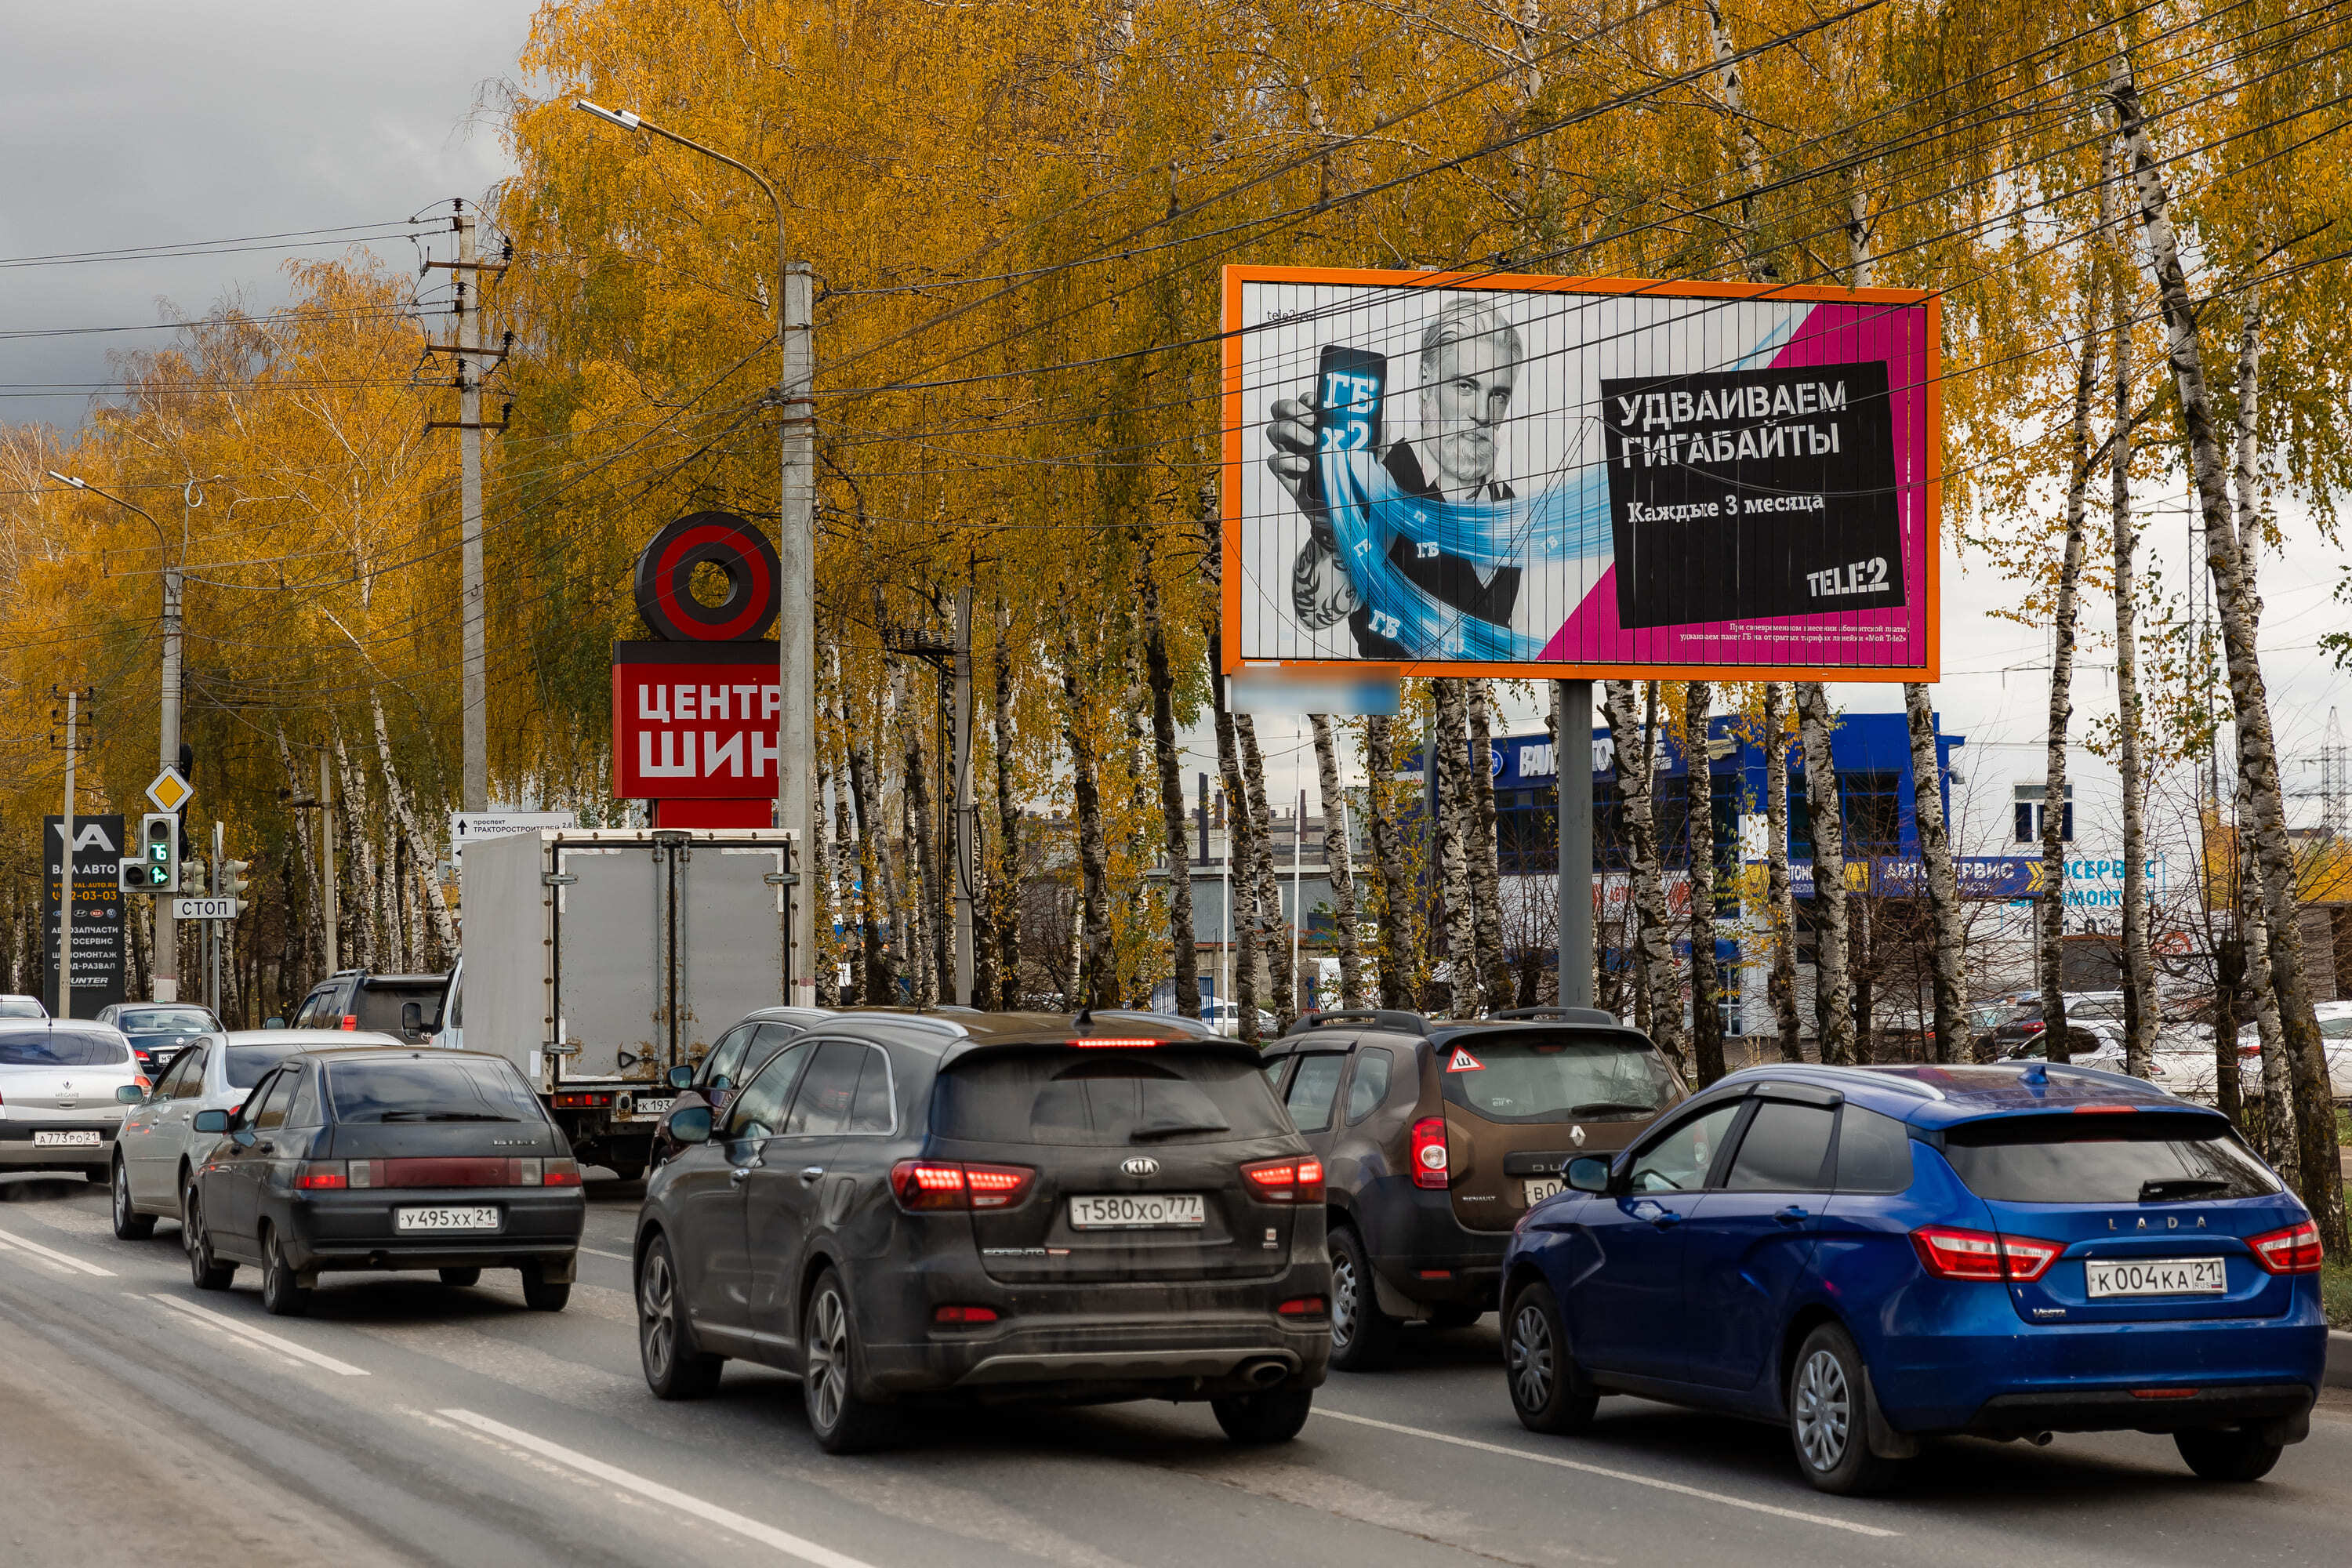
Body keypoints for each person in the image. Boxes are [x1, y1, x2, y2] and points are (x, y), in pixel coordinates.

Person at [1268, 298, 1525, 659]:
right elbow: (1317, 612)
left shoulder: (1509, 504)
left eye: (1498, 395)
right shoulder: (1389, 480)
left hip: (1484, 708)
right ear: (1427, 381)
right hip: (1396, 706)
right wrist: (1330, 525)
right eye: (1465, 386)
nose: (1483, 414)